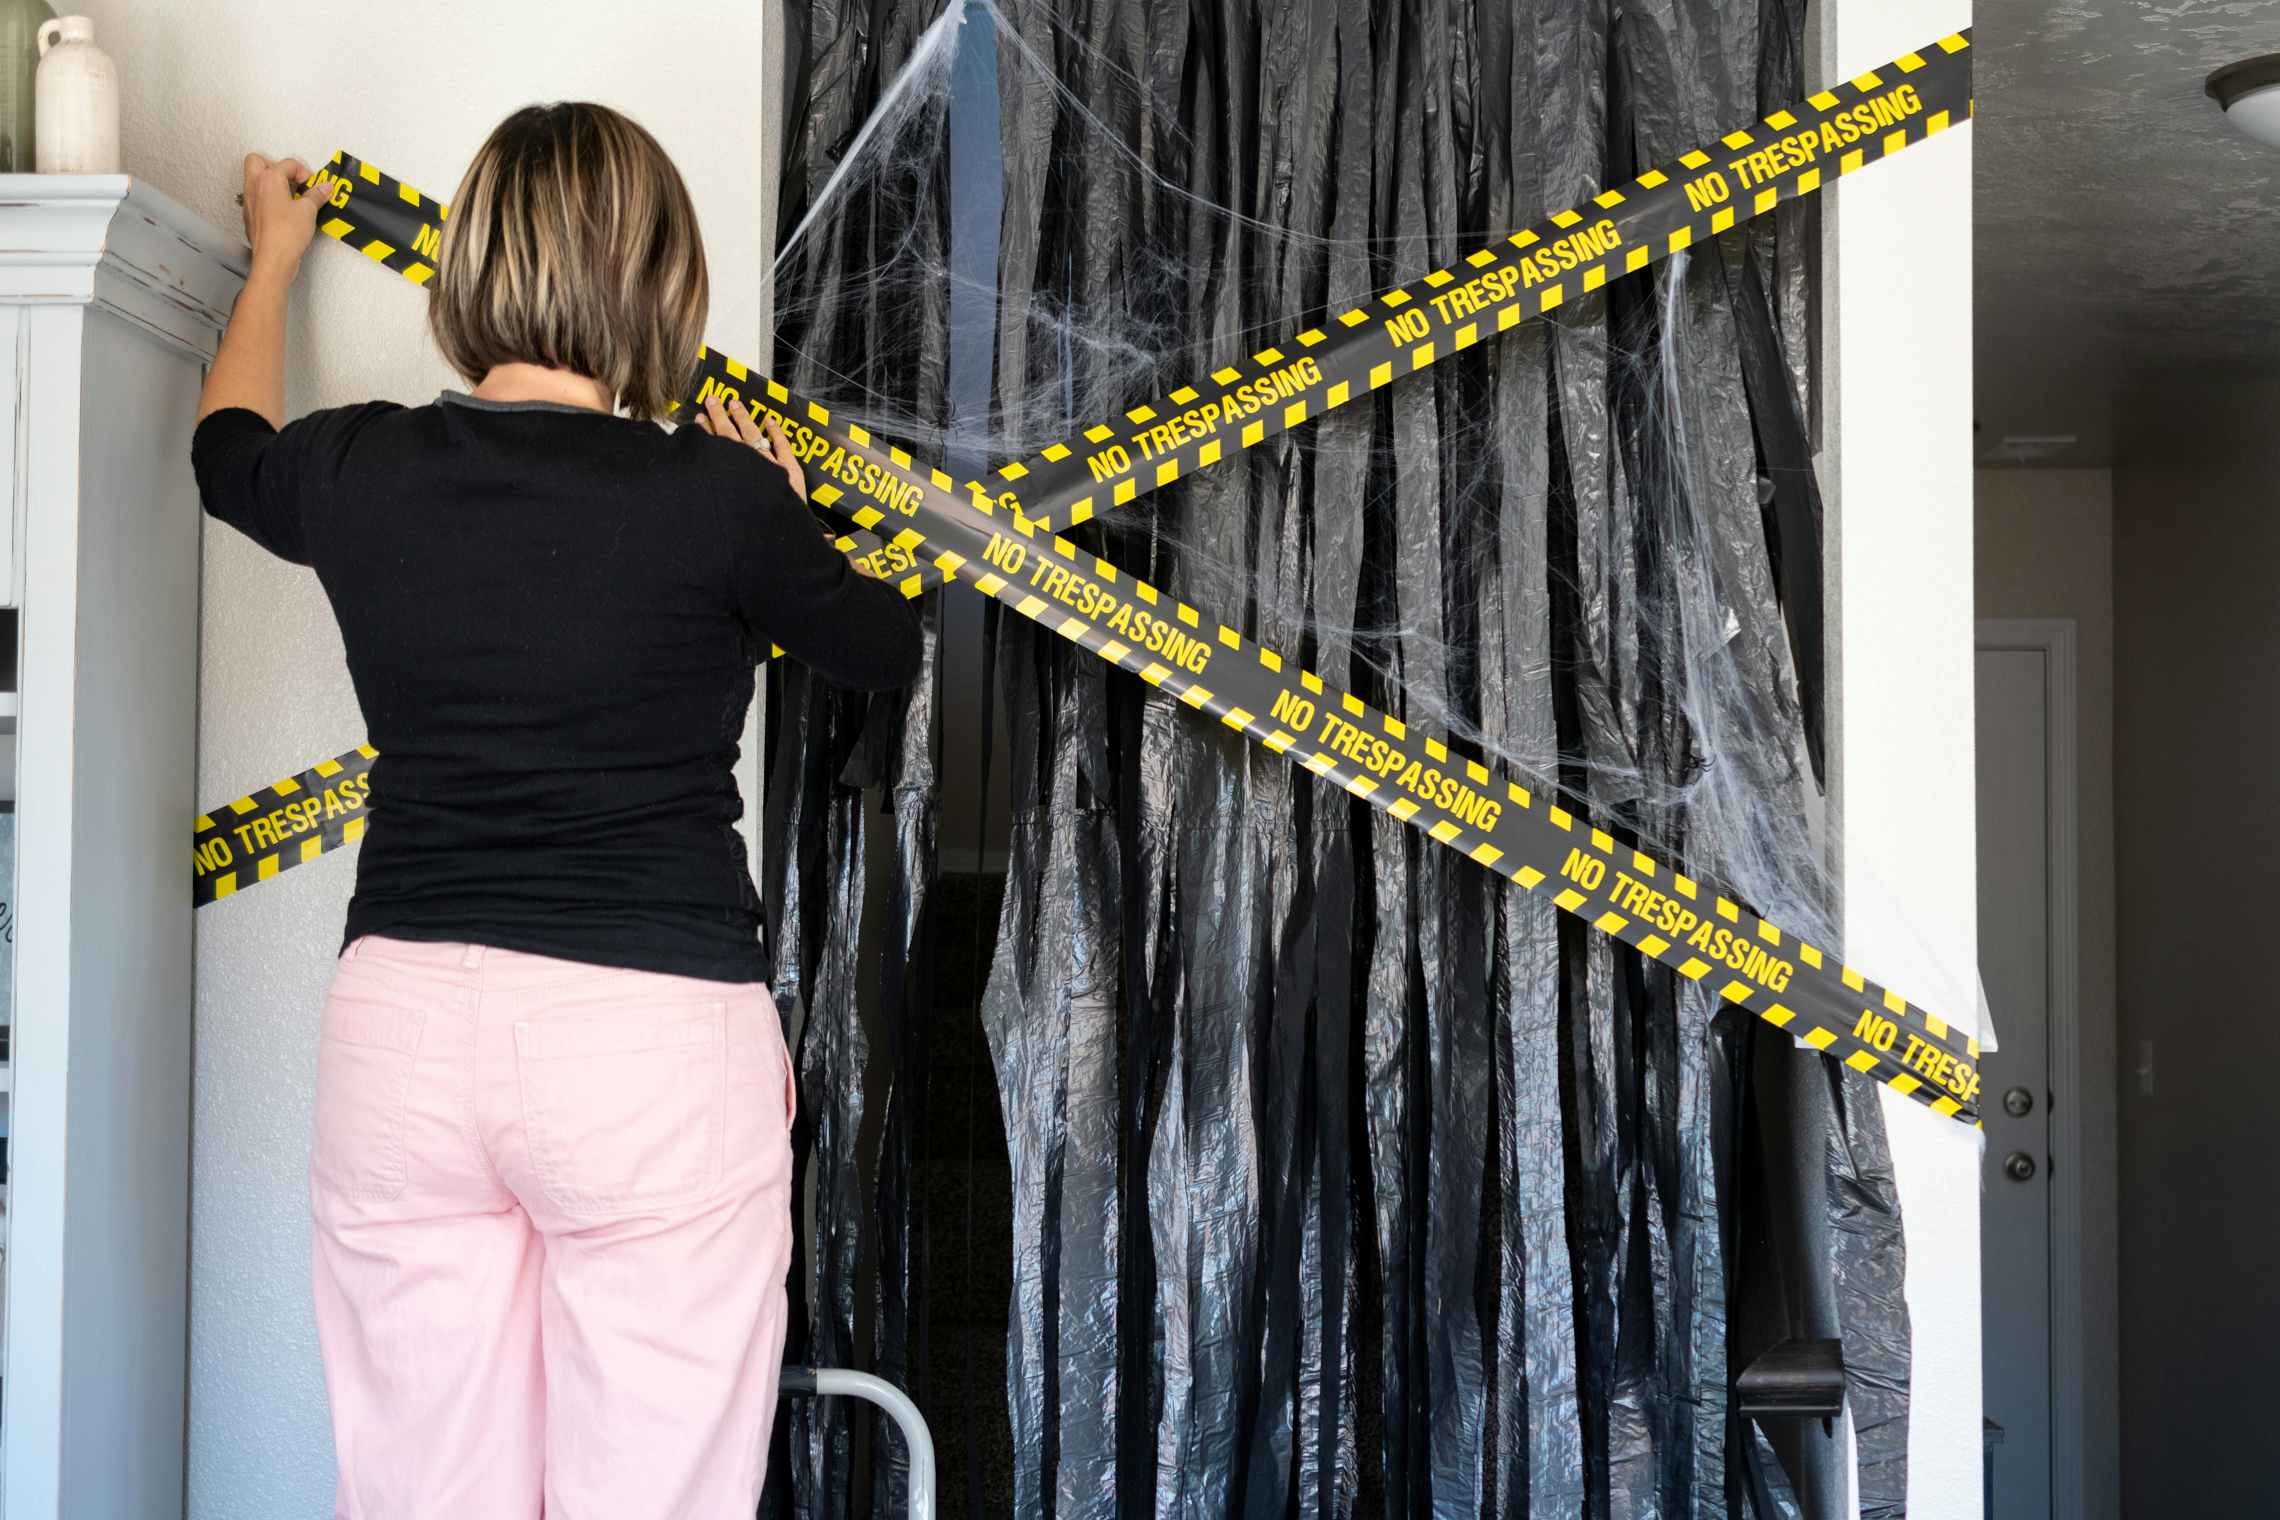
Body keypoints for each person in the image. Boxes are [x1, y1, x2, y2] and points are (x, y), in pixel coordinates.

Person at [192, 104, 922, 1519]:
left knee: (422, 1491)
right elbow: (881, 648)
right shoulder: (716, 497)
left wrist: (274, 256)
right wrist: (779, 508)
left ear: (472, 264)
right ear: (656, 280)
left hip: (403, 1034)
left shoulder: (363, 465)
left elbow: (227, 454)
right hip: (645, 1048)